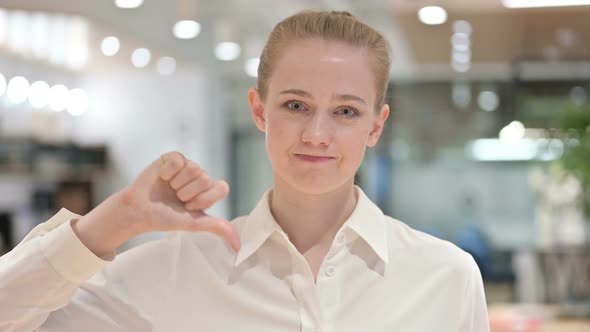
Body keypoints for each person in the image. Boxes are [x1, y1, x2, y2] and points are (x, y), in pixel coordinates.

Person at [0, 10, 490, 332]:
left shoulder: (445, 276)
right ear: (259, 111)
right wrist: (118, 218)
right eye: (296, 104)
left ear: (376, 126)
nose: (317, 134)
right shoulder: (175, 271)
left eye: (346, 111)